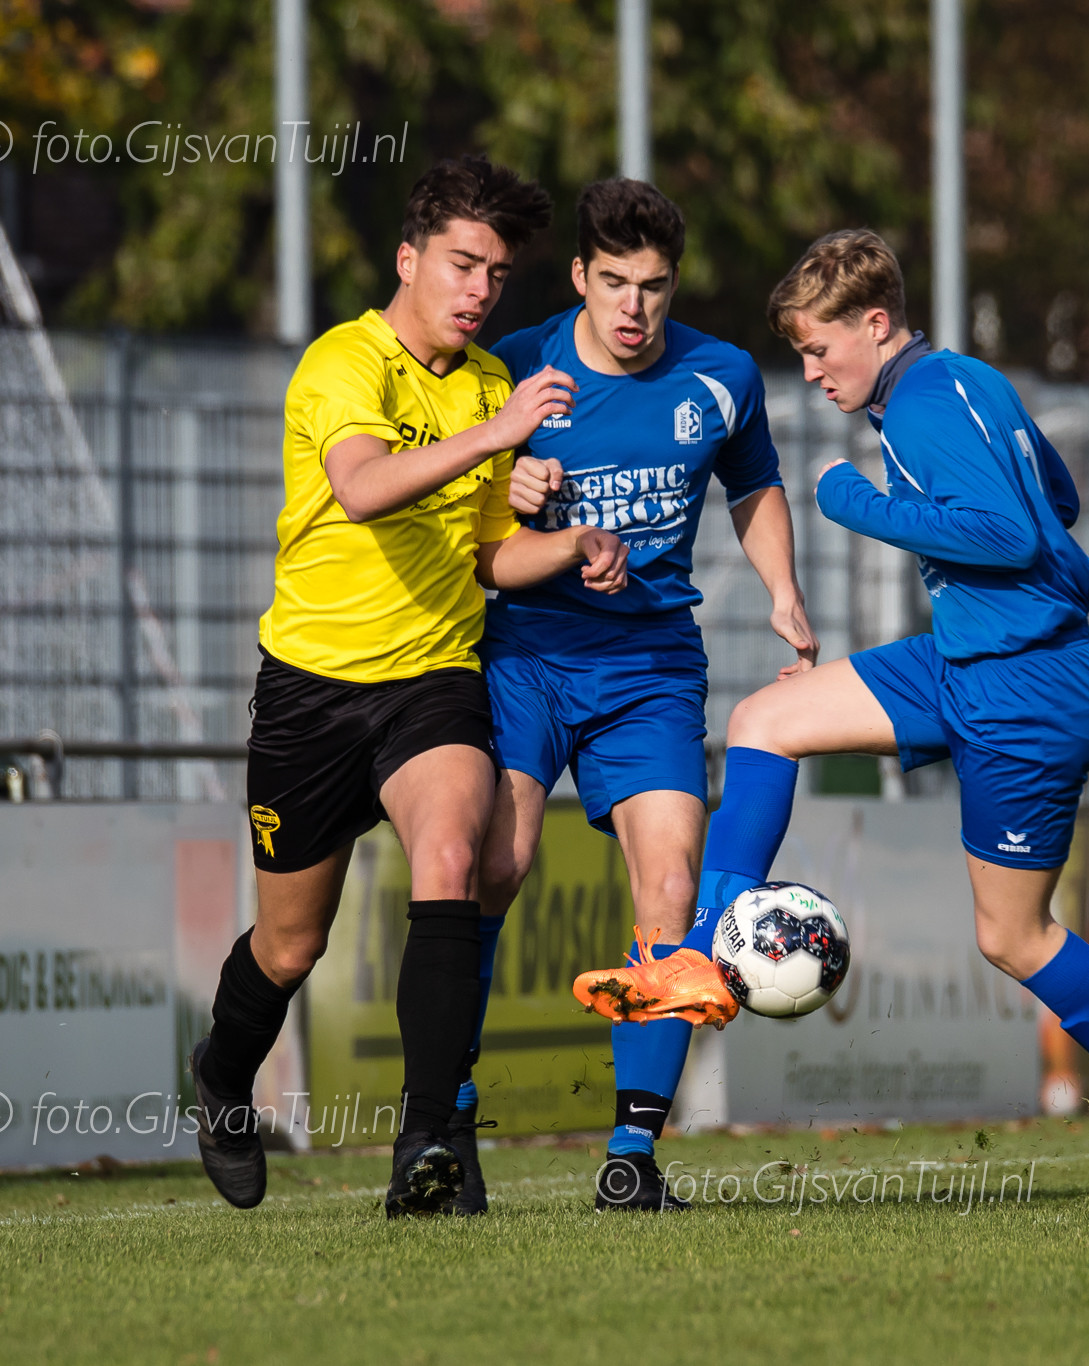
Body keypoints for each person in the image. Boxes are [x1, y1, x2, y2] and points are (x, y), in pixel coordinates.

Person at [573, 229, 1089, 1213]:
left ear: (876, 323)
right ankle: (698, 958)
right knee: (764, 718)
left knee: (1012, 936)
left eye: (818, 350)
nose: (810, 372)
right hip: (964, 658)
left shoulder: (924, 402)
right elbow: (1052, 497)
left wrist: (858, 503)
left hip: (1026, 691)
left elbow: (1009, 535)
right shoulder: (964, 381)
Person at [188, 156, 628, 1218]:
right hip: (310, 693)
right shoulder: (346, 361)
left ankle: (427, 1143)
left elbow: (487, 553)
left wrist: (570, 545)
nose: (480, 290)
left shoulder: (486, 385)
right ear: (407, 258)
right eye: (461, 264)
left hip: (432, 678)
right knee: (291, 944)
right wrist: (497, 436)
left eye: (497, 273)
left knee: (455, 860)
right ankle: (222, 1076)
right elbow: (364, 487)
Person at [455, 179, 815, 1213]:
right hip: (525, 656)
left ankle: (631, 1158)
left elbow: (753, 486)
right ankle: (447, 1116)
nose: (632, 306)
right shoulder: (514, 367)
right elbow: (466, 514)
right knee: (495, 864)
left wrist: (784, 591)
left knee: (670, 887)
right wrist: (512, 490)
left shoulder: (721, 375)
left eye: (653, 286)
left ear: (673, 284)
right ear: (578, 276)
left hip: (651, 668)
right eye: (613, 282)